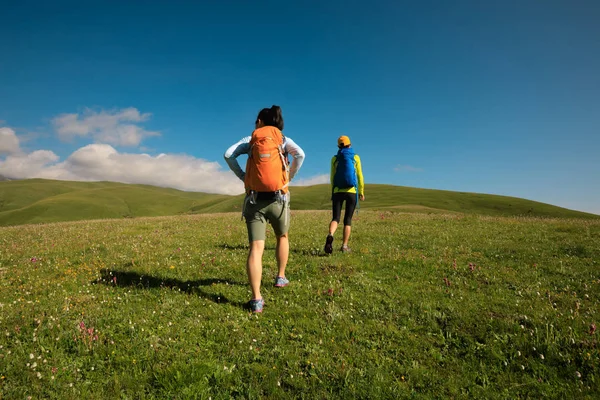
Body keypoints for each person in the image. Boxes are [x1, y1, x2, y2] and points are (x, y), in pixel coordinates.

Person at [224, 105, 305, 313]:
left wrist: (243, 177)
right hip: (279, 199)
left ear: (260, 121)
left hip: (254, 199)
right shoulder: (283, 140)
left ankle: (256, 299)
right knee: (282, 237)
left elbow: (228, 155)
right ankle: (280, 277)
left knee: (256, 249)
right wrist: (288, 177)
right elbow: (301, 155)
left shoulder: (250, 140)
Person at [324, 135, 364, 254]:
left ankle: (331, 234)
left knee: (336, 218)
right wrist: (361, 191)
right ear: (350, 144)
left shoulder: (334, 159)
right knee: (348, 220)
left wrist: (333, 190)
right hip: (351, 192)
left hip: (337, 191)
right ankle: (344, 246)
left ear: (338, 146)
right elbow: (360, 176)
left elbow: (332, 176)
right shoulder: (355, 157)